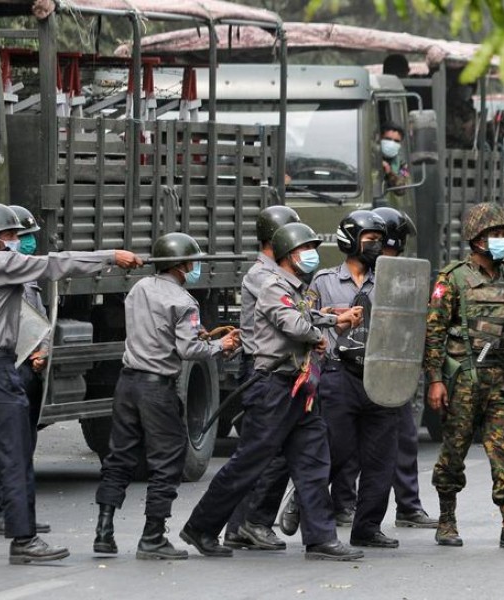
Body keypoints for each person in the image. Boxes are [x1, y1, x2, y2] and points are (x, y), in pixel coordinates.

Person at [0, 203, 143, 565]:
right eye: (11, 235)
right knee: (16, 453)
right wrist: (110, 256)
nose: (16, 242)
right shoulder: (0, 263)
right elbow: (55, 263)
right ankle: (24, 540)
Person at [180, 222, 364, 561]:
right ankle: (201, 527)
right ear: (287, 255)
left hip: (298, 388)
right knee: (249, 462)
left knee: (313, 461)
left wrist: (331, 319)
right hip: (273, 388)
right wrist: (317, 334)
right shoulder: (272, 285)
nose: (310, 255)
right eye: (303, 249)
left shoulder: (295, 288)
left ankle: (321, 538)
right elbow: (293, 324)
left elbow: (305, 315)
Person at [93, 232, 240, 560]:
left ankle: (103, 532)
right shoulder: (184, 301)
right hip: (156, 388)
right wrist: (222, 345)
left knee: (119, 458)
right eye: (193, 261)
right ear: (183, 264)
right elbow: (189, 349)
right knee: (168, 460)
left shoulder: (138, 288)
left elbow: (157, 332)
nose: (195, 266)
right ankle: (153, 536)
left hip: (127, 383)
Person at [423, 201, 504, 550]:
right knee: (454, 450)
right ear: (476, 238)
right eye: (493, 234)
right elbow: (433, 333)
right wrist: (434, 379)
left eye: (503, 234)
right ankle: (447, 519)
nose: (500, 240)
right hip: (465, 379)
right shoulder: (453, 279)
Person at [309, 210, 401, 549]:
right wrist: (329, 317)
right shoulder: (322, 281)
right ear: (351, 241)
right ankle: (313, 518)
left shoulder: (391, 280)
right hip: (338, 375)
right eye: (370, 240)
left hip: (380, 376)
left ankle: (367, 527)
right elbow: (304, 319)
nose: (376, 246)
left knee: (380, 460)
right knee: (336, 452)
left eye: (379, 240)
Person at [224, 205, 301, 552]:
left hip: (265, 370)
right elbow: (293, 322)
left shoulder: (274, 272)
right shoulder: (264, 276)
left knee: (258, 452)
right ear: (277, 240)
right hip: (264, 371)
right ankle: (253, 522)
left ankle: (240, 526)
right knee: (270, 454)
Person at [0, 205, 51, 535]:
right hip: (6, 366)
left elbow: (38, 321)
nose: (22, 242)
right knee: (2, 447)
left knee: (24, 444)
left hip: (29, 367)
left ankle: (18, 516)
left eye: (24, 237)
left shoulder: (26, 275)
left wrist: (42, 351)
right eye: (14, 236)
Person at [373, 207, 439, 528]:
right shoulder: (346, 276)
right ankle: (341, 504)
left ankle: (408, 506)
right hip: (353, 370)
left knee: (404, 439)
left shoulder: (406, 279)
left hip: (394, 371)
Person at [380, 122, 410, 192]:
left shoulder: (402, 164)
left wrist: (390, 173)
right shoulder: (368, 157)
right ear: (379, 138)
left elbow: (402, 190)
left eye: (396, 141)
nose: (392, 143)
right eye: (387, 139)